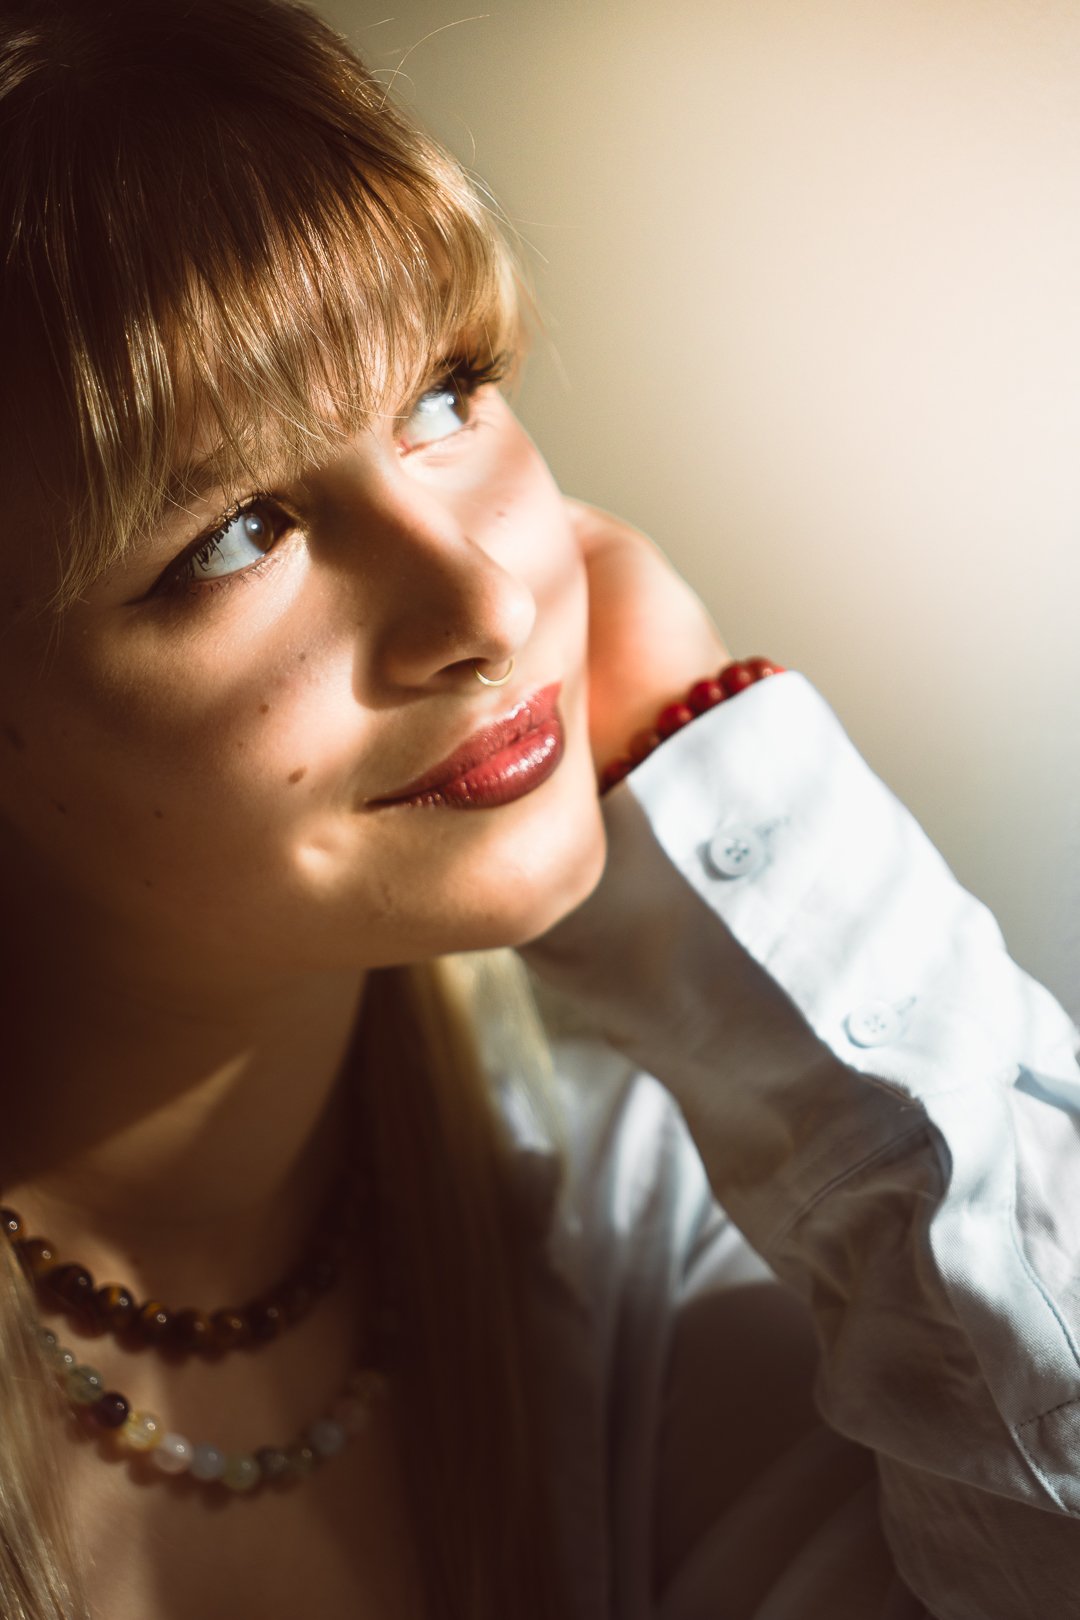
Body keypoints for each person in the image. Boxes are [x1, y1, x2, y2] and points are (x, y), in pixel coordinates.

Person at [1, 2, 1078, 1618]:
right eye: (233, 534)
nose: (484, 601)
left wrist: (755, 816)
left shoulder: (628, 1221)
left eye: (445, 395)